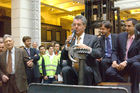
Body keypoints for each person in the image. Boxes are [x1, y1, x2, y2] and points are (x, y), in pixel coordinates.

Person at [60, 15, 102, 85]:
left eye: (79, 25)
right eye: (74, 25)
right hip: (73, 71)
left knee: (85, 70)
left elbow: (99, 54)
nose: (76, 27)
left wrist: (88, 49)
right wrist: (67, 46)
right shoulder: (71, 40)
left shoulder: (93, 38)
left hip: (87, 71)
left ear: (84, 26)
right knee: (65, 69)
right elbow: (63, 57)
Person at [106, 18, 140, 93]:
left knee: (137, 65)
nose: (126, 28)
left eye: (129, 26)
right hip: (120, 63)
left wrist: (127, 62)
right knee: (109, 72)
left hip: (131, 63)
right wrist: (114, 61)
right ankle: (126, 83)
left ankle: (135, 90)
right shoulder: (121, 36)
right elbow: (115, 51)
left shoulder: (139, 38)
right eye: (125, 26)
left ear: (135, 27)